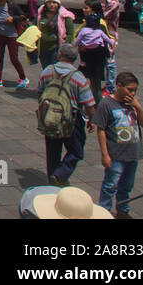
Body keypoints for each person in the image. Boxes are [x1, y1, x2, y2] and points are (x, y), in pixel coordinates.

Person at [38, 43, 98, 187]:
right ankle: (60, 175)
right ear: (75, 58)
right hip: (72, 119)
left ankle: (52, 179)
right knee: (76, 150)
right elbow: (89, 104)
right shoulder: (78, 77)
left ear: (59, 55)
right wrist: (91, 120)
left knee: (53, 151)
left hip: (49, 117)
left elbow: (40, 92)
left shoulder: (48, 71)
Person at [94, 73, 143, 218]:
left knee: (127, 185)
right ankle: (104, 210)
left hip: (133, 152)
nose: (132, 93)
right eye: (130, 89)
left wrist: (138, 107)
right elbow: (101, 130)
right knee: (110, 184)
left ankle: (123, 210)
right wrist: (105, 154)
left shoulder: (133, 103)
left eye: (135, 90)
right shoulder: (106, 104)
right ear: (119, 86)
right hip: (116, 154)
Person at [36, 0, 77, 70]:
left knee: (55, 70)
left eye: (54, 2)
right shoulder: (41, 13)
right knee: (46, 70)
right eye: (49, 2)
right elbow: (34, 27)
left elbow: (71, 33)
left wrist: (65, 48)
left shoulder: (65, 16)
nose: (52, 5)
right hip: (43, 49)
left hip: (56, 49)